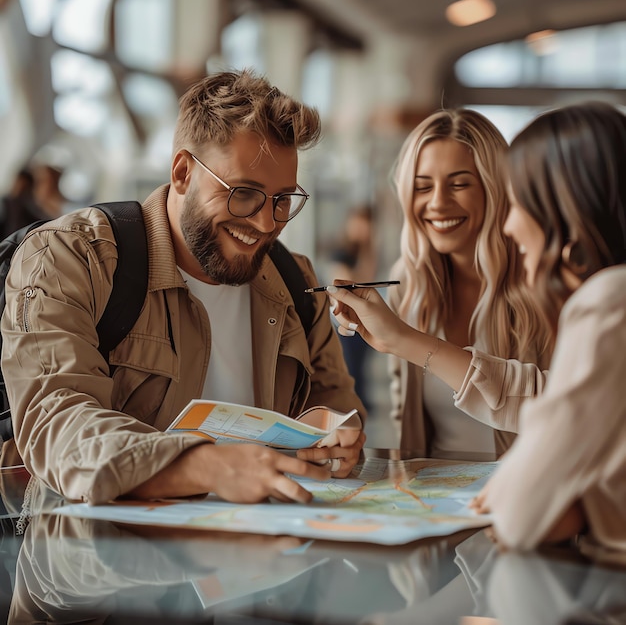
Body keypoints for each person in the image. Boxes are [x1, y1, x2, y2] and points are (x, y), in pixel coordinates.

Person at [0, 69, 366, 506]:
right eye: (244, 193)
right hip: (101, 561)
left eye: (283, 200)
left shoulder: (297, 281)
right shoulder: (70, 257)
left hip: (265, 561)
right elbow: (56, 425)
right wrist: (209, 466)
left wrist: (334, 434)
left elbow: (338, 406)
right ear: (182, 172)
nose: (267, 223)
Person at [327, 109, 552, 456]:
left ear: (496, 189)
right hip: (440, 501)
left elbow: (560, 408)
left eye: (459, 184)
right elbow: (409, 425)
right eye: (422, 187)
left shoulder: (544, 281)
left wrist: (403, 340)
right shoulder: (407, 280)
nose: (437, 203)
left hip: (526, 499)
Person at [469, 101, 626, 550]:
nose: (508, 224)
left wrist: (533, 494)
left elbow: (519, 517)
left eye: (517, 202)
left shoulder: (608, 303)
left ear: (564, 210)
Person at [327, 205, 378, 411]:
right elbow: (347, 284)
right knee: (350, 363)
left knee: (361, 363)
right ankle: (352, 404)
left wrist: (368, 249)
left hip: (364, 317)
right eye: (359, 222)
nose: (362, 228)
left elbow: (369, 280)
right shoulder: (342, 252)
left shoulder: (366, 252)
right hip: (344, 316)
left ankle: (361, 401)